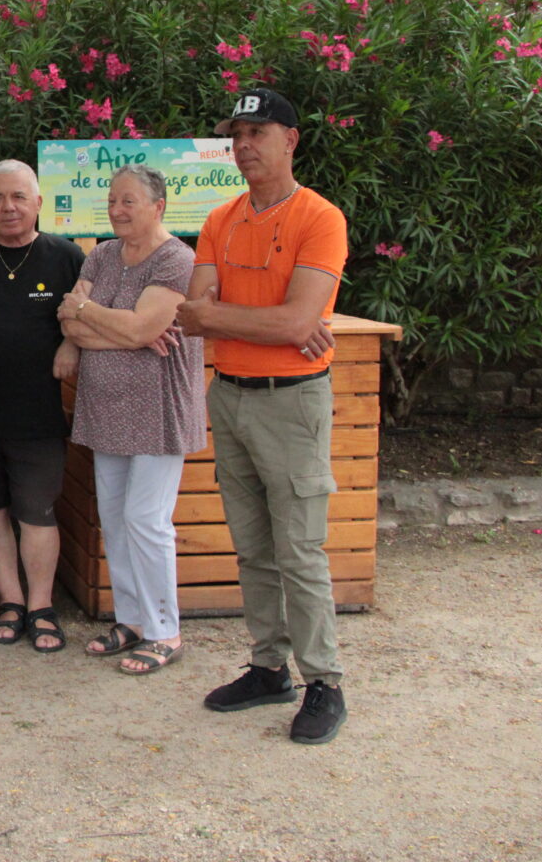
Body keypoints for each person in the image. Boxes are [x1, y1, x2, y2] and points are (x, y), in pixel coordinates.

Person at [176, 88, 350, 745]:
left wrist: (281, 321)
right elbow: (193, 314)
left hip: (293, 400)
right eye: (237, 135)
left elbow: (299, 322)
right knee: (252, 546)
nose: (245, 146)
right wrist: (275, 321)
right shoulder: (222, 218)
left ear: (291, 140)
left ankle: (325, 682)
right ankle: (268, 666)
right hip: (232, 394)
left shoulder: (319, 218)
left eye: (259, 133)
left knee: (299, 550)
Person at [56, 164, 206, 674]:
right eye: (113, 201)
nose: (117, 210)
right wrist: (123, 331)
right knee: (117, 519)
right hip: (106, 407)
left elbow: (144, 325)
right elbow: (70, 325)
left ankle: (166, 630)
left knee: (147, 520)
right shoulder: (101, 253)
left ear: (158, 207)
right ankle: (133, 619)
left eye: (129, 202)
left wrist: (93, 313)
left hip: (158, 409)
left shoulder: (177, 261)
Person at [0, 160, 84, 652]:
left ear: (38, 202)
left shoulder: (66, 256)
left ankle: (42, 606)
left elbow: (86, 315)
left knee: (38, 511)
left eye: (19, 197)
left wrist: (72, 344)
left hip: (39, 410)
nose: (9, 207)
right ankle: (11, 600)